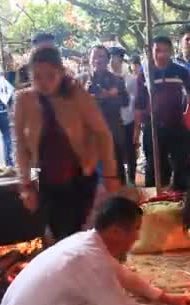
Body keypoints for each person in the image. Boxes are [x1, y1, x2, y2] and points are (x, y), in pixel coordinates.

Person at [0, 197, 190, 305]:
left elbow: (124, 275)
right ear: (115, 231)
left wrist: (167, 298)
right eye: (136, 229)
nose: (138, 236)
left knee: (108, 296)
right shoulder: (90, 262)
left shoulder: (86, 241)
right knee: (108, 303)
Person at [14, 47, 119, 241]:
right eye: (37, 77)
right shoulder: (24, 100)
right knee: (56, 235)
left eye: (50, 76)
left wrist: (110, 174)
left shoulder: (77, 95)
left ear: (61, 73)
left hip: (80, 177)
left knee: (80, 235)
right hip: (48, 180)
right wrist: (26, 184)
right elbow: (20, 144)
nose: (44, 83)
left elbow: (103, 133)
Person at [135, 36, 190, 191]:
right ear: (151, 52)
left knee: (183, 168)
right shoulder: (145, 73)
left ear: (171, 51)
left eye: (165, 51)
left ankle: (183, 204)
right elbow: (139, 104)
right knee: (155, 170)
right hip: (153, 127)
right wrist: (136, 132)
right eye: (157, 50)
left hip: (178, 126)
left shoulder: (181, 71)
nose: (161, 55)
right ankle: (157, 205)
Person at [78, 45, 130, 185]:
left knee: (116, 174)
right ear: (89, 59)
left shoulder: (117, 80)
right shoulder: (81, 80)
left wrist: (108, 96)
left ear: (108, 60)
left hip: (112, 132)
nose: (97, 60)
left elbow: (125, 102)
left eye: (101, 56)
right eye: (94, 56)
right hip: (89, 137)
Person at [110, 47, 139, 185]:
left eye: (115, 57)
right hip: (112, 121)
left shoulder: (131, 78)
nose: (112, 60)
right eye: (110, 57)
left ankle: (132, 178)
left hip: (128, 119)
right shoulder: (106, 77)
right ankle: (121, 181)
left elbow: (135, 100)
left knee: (130, 150)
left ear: (121, 59)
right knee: (116, 152)